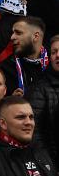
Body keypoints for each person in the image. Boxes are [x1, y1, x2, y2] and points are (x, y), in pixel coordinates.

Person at [31, 35, 59, 167]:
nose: (57, 55)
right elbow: (35, 133)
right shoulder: (40, 89)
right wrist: (49, 165)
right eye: (54, 52)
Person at [1, 17, 48, 96]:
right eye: (12, 33)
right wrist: (10, 100)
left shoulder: (53, 64)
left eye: (18, 33)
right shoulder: (5, 69)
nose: (12, 37)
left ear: (35, 36)